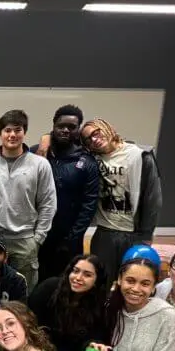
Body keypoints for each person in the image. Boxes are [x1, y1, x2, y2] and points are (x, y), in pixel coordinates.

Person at [0, 109, 56, 289]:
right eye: (7, 130)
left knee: (23, 294)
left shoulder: (40, 165)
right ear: (0, 133)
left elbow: (48, 204)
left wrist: (37, 239)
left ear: (24, 132)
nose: (12, 135)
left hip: (25, 241)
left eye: (18, 130)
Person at [83, 118, 163, 280]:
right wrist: (45, 139)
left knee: (131, 282)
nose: (94, 139)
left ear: (109, 129)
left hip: (133, 235)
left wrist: (146, 236)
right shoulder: (92, 159)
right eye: (88, 139)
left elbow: (152, 199)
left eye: (97, 133)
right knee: (101, 283)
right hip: (104, 233)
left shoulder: (140, 156)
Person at [38, 105, 100, 281]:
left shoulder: (87, 162)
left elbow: (89, 204)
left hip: (69, 241)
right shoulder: (39, 153)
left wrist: (72, 238)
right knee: (37, 284)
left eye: (71, 127)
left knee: (66, 285)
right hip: (39, 236)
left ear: (78, 129)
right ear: (53, 126)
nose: (65, 130)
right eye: (61, 126)